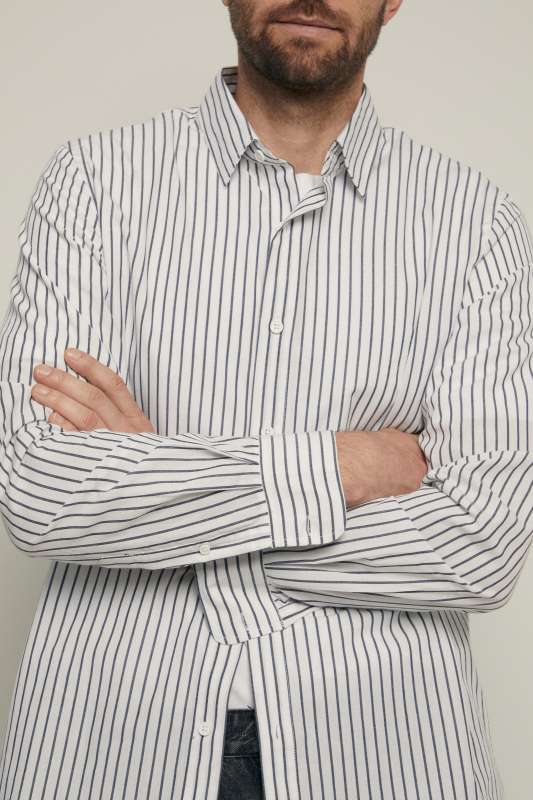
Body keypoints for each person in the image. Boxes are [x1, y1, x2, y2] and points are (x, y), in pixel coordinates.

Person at [0, 0, 531, 798]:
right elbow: (41, 494)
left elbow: (478, 547)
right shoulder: (93, 183)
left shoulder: (475, 223)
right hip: (113, 740)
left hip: (381, 750)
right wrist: (342, 465)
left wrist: (153, 483)